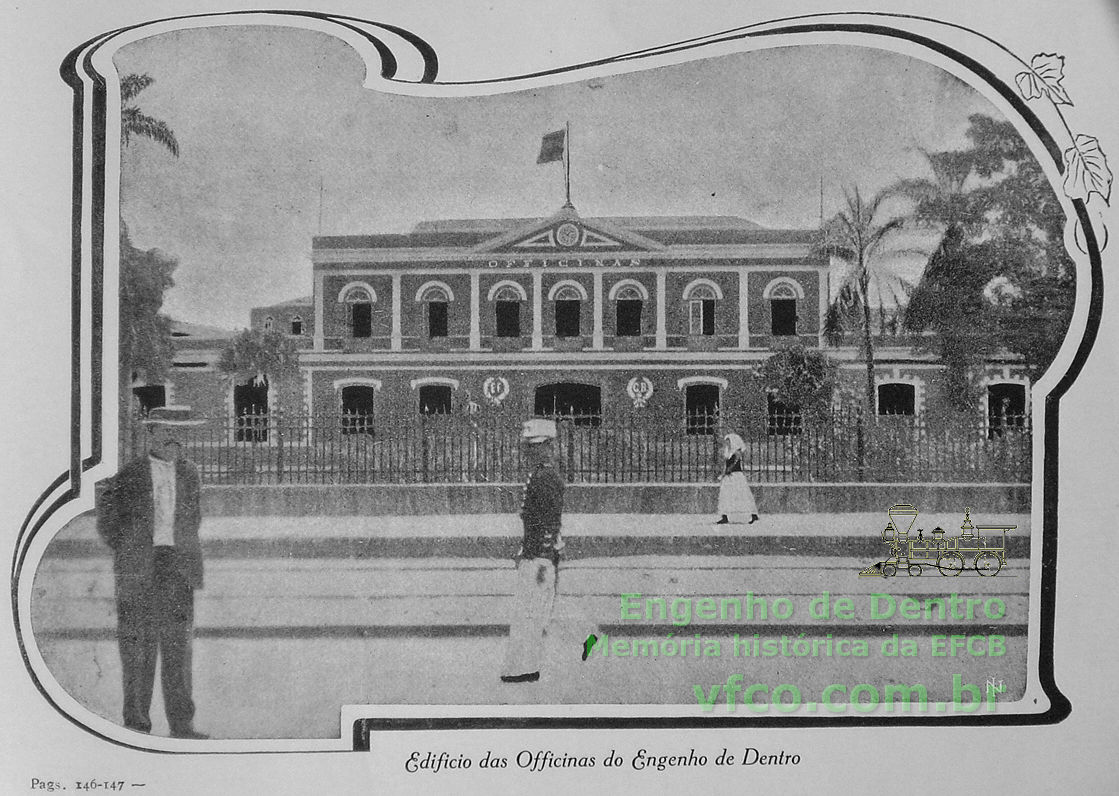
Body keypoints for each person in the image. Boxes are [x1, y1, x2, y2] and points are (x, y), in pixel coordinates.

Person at [96, 405, 208, 739]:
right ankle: (136, 725)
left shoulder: (190, 473)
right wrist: (129, 550)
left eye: (180, 432)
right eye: (167, 431)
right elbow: (107, 519)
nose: (175, 439)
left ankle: (182, 725)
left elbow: (193, 518)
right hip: (139, 570)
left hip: (177, 569)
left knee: (177, 649)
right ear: (151, 434)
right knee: (138, 649)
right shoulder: (130, 474)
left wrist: (182, 549)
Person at [501, 418, 565, 683]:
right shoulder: (540, 475)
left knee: (532, 614)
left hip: (540, 556)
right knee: (529, 613)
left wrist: (542, 558)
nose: (530, 452)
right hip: (534, 552)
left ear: (549, 446)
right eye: (529, 447)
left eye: (536, 447)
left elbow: (549, 521)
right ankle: (524, 666)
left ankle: (525, 668)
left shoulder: (546, 477)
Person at [715, 432, 759, 525]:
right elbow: (725, 465)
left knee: (742, 495)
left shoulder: (737, 452)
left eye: (728, 441)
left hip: (736, 476)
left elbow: (735, 462)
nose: (726, 443)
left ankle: (753, 515)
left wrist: (729, 470)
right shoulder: (728, 453)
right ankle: (724, 516)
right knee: (725, 496)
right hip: (728, 477)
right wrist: (723, 474)